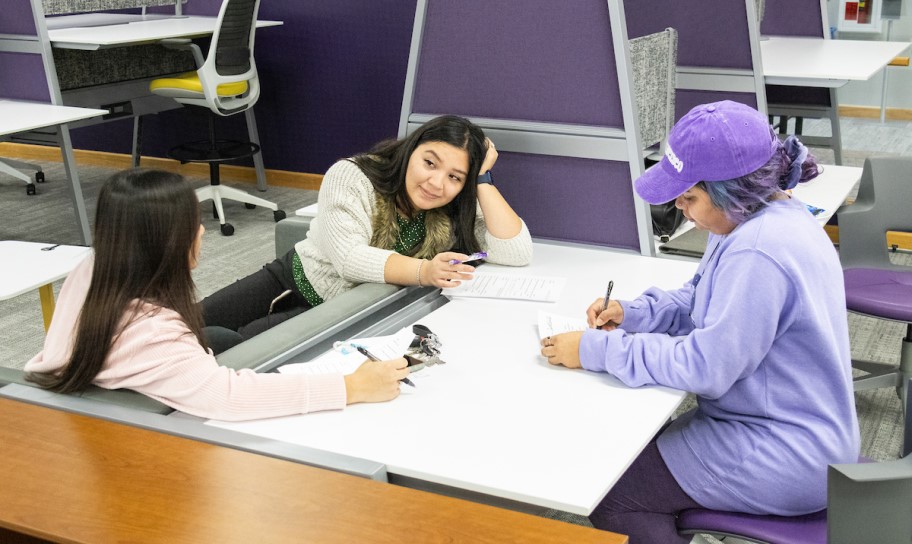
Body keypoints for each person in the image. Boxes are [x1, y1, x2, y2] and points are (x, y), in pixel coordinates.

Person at [539, 101, 859, 542]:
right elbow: (701, 296)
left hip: (782, 450)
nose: (680, 207)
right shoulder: (755, 219)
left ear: (730, 190)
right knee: (630, 454)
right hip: (791, 428)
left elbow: (707, 367)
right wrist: (635, 313)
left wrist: (596, 349)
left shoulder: (757, 250)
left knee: (613, 491)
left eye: (689, 197)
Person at [25, 169, 410, 421]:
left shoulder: (95, 267)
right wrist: (350, 387)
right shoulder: (152, 332)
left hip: (90, 377)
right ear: (167, 242)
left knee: (225, 337)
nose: (203, 232)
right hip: (127, 413)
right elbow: (229, 396)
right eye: (195, 224)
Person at [202, 115, 533, 350]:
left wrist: (482, 179)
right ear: (410, 150)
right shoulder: (353, 175)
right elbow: (349, 258)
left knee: (231, 350)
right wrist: (425, 271)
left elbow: (515, 252)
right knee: (179, 324)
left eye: (455, 176)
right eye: (430, 163)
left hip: (347, 312)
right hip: (295, 281)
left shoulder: (454, 200)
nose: (436, 183)